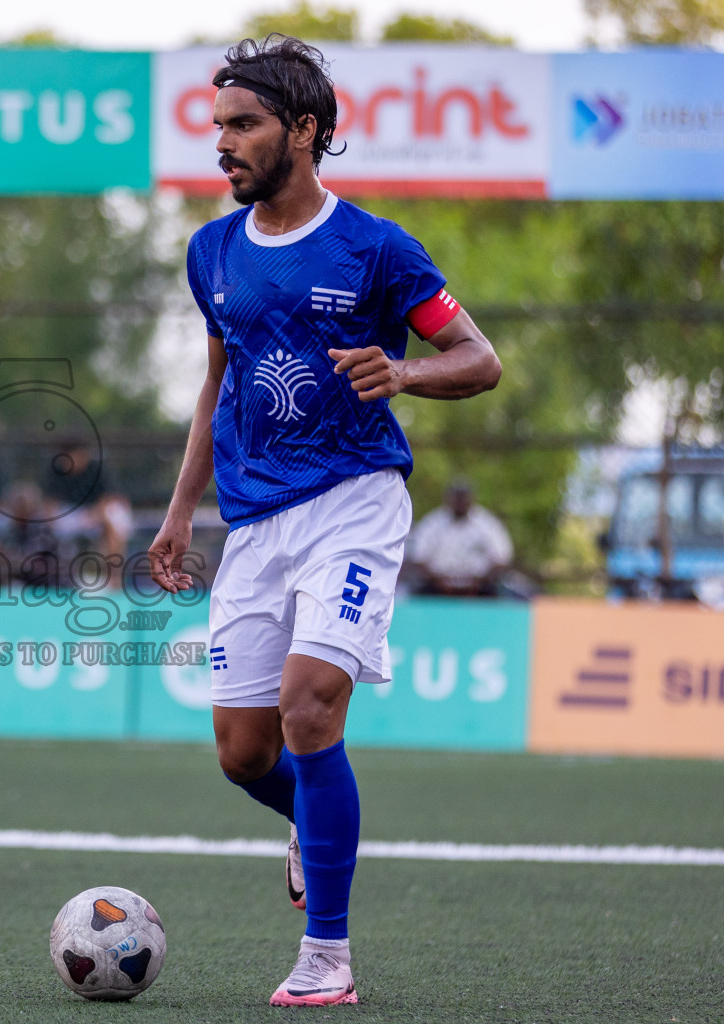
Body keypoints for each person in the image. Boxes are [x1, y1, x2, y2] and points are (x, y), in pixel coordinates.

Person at [147, 36, 502, 1008]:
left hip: (355, 501)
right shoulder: (210, 251)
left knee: (309, 708)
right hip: (254, 522)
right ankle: (306, 817)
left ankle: (326, 957)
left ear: (304, 131)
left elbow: (480, 359)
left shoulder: (377, 248)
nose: (222, 144)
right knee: (244, 752)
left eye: (243, 125)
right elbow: (216, 384)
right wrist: (183, 512)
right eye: (216, 126)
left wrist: (407, 372)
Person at [407, 480, 513, 597]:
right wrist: (438, 581)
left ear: (472, 498)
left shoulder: (487, 524)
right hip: (437, 587)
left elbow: (502, 559)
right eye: (456, 497)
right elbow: (418, 558)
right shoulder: (432, 523)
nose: (460, 501)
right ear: (447, 498)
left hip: (480, 587)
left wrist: (479, 581)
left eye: (463, 497)